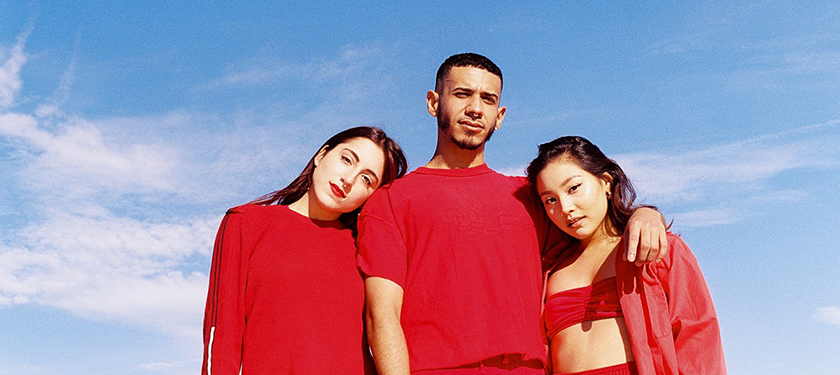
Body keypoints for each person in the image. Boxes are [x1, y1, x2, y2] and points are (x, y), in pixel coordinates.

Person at [357, 53, 669, 375]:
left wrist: (645, 213)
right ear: (434, 103)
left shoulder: (530, 197)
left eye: (488, 99)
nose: (475, 109)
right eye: (462, 94)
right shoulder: (391, 202)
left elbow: (598, 229)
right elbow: (382, 317)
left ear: (500, 115)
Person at [201, 126, 408, 375]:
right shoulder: (245, 222)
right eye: (346, 160)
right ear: (321, 155)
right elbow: (222, 333)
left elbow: (388, 327)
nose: (349, 179)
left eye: (366, 179)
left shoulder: (366, 247)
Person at [526, 136, 726, 375]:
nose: (565, 207)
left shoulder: (656, 247)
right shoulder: (548, 271)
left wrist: (648, 214)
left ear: (606, 183)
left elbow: (698, 338)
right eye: (550, 200)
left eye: (573, 188)